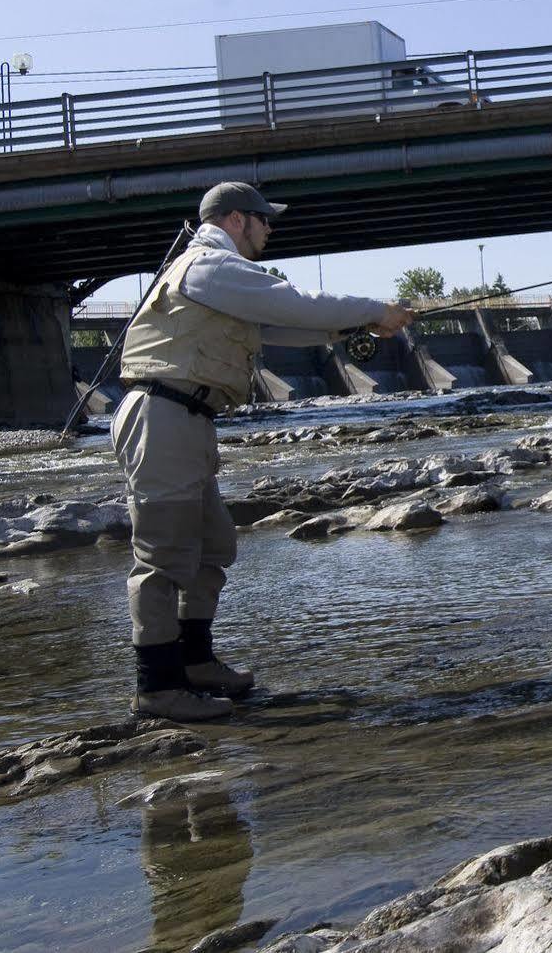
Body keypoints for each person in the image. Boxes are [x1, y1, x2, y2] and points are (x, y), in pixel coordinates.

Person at [112, 182, 416, 721]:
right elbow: (291, 302)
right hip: (163, 417)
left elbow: (281, 325)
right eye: (264, 219)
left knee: (212, 546)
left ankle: (195, 663)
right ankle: (157, 688)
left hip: (186, 418)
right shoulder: (209, 266)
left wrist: (360, 323)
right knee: (162, 558)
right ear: (235, 219)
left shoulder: (222, 278)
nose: (270, 229)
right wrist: (375, 306)